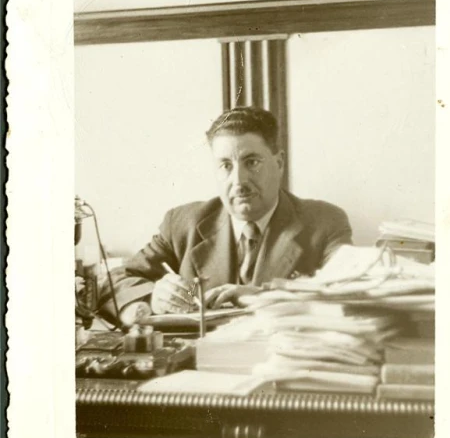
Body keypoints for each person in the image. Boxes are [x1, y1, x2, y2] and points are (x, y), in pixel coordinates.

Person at [100, 106, 352, 325]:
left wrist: (261, 298)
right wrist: (151, 298)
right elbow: (116, 281)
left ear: (279, 163)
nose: (238, 181)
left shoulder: (325, 223)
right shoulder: (182, 223)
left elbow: (351, 295)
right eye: (225, 166)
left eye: (252, 162)